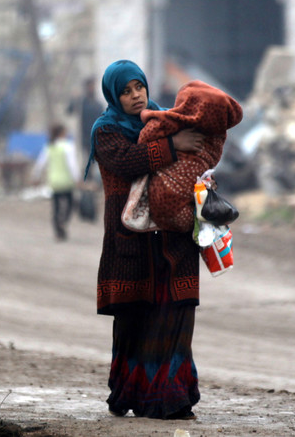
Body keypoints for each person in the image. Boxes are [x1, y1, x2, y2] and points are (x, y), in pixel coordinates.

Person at [86, 59, 205, 420]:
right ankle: (132, 393)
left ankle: (172, 398)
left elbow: (197, 157)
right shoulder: (105, 131)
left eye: (139, 87)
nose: (136, 96)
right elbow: (127, 161)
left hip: (173, 239)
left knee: (176, 315)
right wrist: (173, 146)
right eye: (126, 91)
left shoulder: (164, 121)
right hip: (131, 244)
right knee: (136, 320)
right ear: (113, 95)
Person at [136, 79, 243, 232]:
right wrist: (172, 143)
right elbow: (135, 154)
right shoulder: (214, 136)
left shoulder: (173, 123)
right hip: (168, 205)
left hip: (174, 203)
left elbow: (146, 136)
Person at [31, 123, 80, 241]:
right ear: (62, 133)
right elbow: (72, 165)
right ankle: (63, 222)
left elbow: (40, 164)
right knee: (70, 204)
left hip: (54, 182)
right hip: (67, 181)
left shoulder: (49, 147)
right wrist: (77, 178)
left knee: (56, 207)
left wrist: (35, 176)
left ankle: (58, 230)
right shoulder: (68, 146)